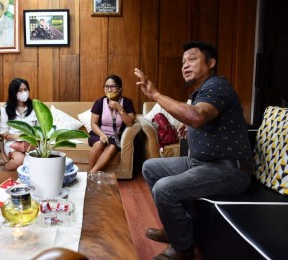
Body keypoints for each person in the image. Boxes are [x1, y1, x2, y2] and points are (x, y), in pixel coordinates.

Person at [134, 41, 253, 260]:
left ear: (211, 63)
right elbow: (200, 115)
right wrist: (186, 123)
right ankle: (175, 230)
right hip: (202, 163)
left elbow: (198, 116)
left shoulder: (218, 85)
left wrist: (156, 95)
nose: (185, 65)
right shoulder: (202, 91)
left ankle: (182, 250)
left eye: (192, 59)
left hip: (228, 169)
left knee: (164, 188)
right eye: (183, 62)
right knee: (150, 167)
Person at [88, 75, 135, 174]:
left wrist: (119, 108)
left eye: (113, 86)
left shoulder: (127, 102)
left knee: (113, 146)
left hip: (116, 136)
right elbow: (93, 123)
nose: (109, 89)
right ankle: (89, 173)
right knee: (100, 143)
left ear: (120, 89)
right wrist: (102, 135)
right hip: (99, 134)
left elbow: (130, 123)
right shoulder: (100, 102)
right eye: (106, 86)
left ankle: (91, 174)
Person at [0, 78, 37, 171]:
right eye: (20, 90)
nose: (24, 92)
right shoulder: (6, 109)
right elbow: (3, 133)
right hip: (13, 142)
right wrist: (19, 137)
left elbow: (39, 130)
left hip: (32, 143)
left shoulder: (35, 107)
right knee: (19, 160)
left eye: (25, 89)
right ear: (13, 93)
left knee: (37, 161)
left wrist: (30, 141)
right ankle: (1, 175)